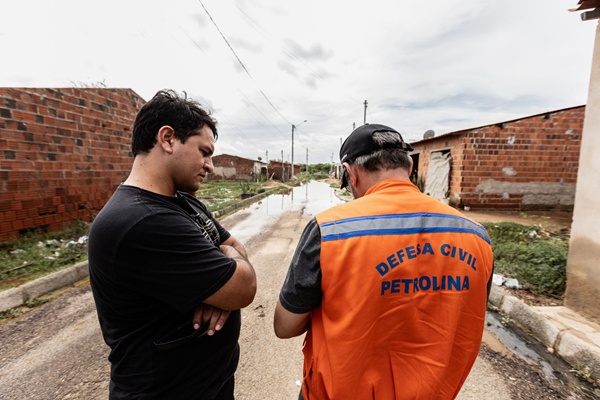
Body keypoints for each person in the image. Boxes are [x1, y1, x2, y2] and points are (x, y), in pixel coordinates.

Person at [274, 123, 494, 399]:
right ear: (410, 168)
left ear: (350, 173)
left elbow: (285, 326)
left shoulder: (329, 229)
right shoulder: (476, 236)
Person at [88, 89, 257, 399]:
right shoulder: (141, 220)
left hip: (209, 385)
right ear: (167, 139)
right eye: (204, 152)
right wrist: (225, 284)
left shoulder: (183, 203)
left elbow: (238, 248)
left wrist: (221, 283)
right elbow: (244, 285)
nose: (209, 165)